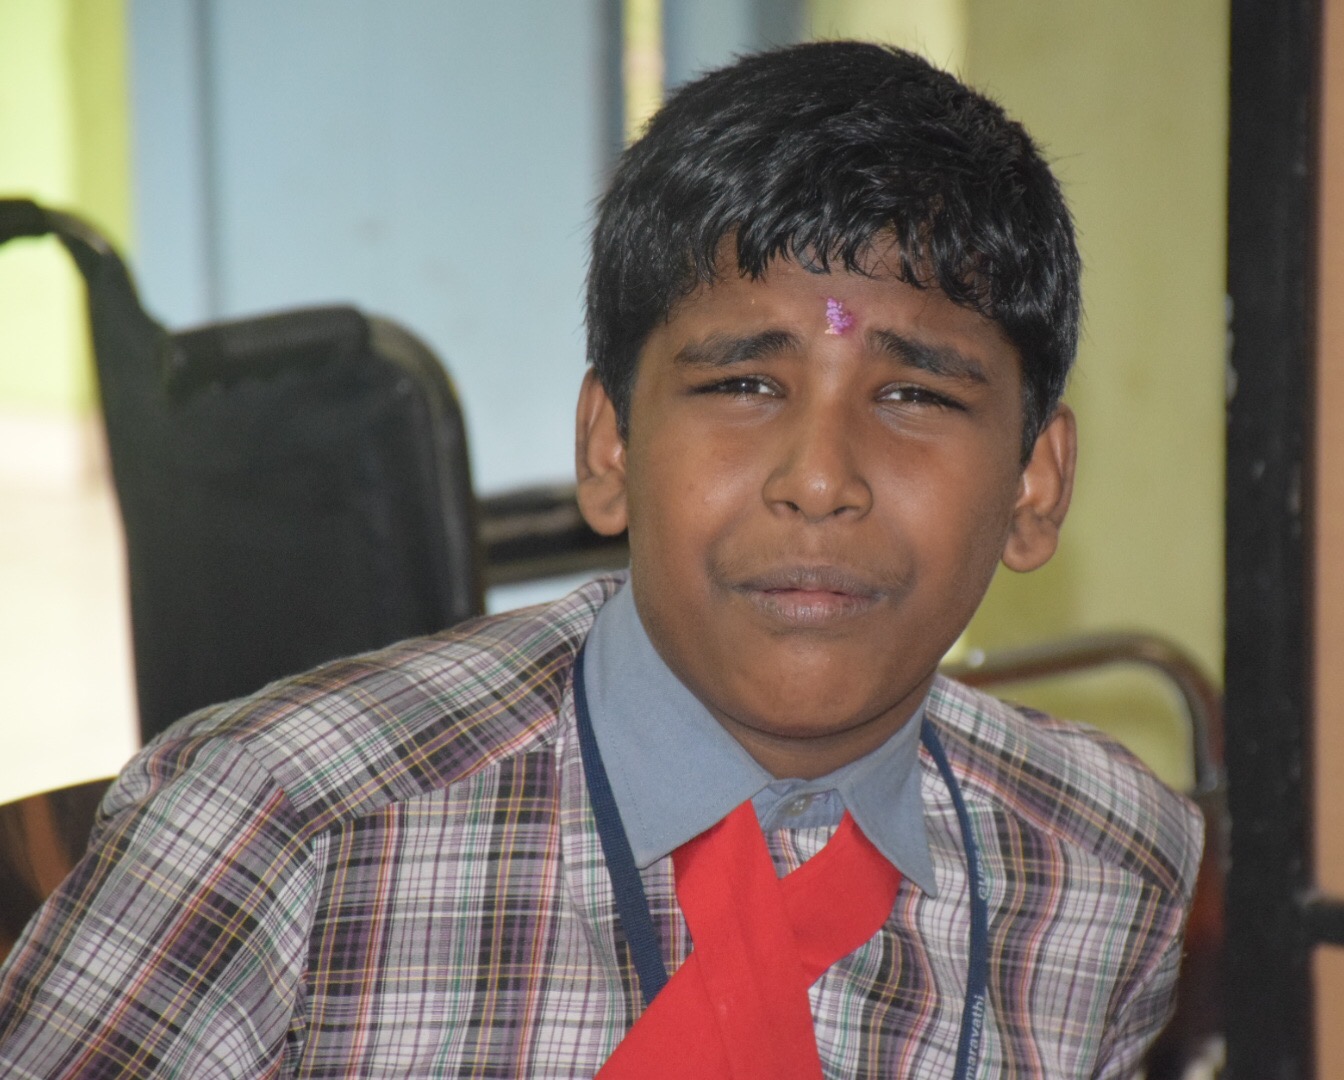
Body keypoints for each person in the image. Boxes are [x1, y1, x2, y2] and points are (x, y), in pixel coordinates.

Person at [0, 41, 1201, 1079]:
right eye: (743, 385)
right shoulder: (285, 828)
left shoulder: (1109, 869)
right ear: (609, 446)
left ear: (1035, 485)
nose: (820, 477)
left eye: (914, 395)